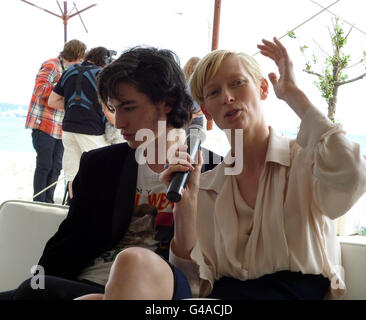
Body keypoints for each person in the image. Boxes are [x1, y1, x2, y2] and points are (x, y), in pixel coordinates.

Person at [158, 37, 366, 299]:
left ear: (262, 88)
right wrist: (186, 204)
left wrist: (294, 94)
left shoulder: (306, 161)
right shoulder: (207, 185)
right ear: (206, 110)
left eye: (237, 83)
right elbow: (192, 285)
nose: (227, 97)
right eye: (214, 92)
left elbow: (354, 176)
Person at [0, 46, 219, 300]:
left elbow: (212, 268)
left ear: (168, 103)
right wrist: (34, 287)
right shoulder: (100, 165)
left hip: (157, 288)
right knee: (30, 291)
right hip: (87, 284)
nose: (118, 123)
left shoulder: (215, 171)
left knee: (131, 262)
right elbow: (66, 242)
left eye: (128, 108)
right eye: (114, 109)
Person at [25, 39, 87, 203]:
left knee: (56, 167)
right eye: (81, 58)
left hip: (60, 128)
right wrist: (62, 89)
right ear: (77, 55)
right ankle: (39, 201)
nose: (82, 62)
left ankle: (49, 201)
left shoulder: (72, 70)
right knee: (44, 165)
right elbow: (40, 89)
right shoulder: (52, 65)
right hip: (44, 124)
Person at [48, 47, 114, 199]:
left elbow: (53, 101)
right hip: (92, 131)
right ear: (104, 62)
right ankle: (93, 209)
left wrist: (73, 107)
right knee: (99, 173)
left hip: (69, 129)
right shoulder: (100, 75)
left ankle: (74, 208)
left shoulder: (69, 71)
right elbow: (106, 110)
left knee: (72, 175)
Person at [183, 57, 205, 130]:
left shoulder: (181, 84)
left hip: (182, 119)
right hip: (197, 119)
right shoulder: (202, 85)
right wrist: (196, 114)